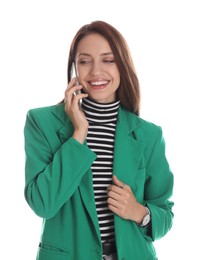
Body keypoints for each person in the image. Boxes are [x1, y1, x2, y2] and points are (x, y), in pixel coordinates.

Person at [24, 20, 174, 260]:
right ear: (74, 67)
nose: (95, 72)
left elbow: (165, 213)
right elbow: (43, 204)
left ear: (122, 65)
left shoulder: (149, 134)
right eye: (85, 61)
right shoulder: (42, 122)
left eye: (108, 59)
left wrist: (138, 212)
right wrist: (78, 133)